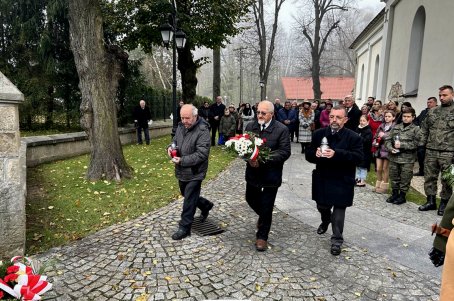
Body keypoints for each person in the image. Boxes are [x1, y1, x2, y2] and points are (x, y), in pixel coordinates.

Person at [306, 106, 363, 256]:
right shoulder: (319, 134)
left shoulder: (354, 137)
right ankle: (325, 220)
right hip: (323, 177)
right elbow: (308, 154)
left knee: (339, 211)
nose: (334, 120)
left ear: (345, 119)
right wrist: (316, 154)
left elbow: (358, 157)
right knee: (322, 206)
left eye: (338, 117)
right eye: (332, 117)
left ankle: (337, 240)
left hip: (342, 179)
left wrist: (337, 154)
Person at [244, 100, 291, 251]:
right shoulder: (251, 126)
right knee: (250, 198)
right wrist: (249, 158)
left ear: (271, 114)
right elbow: (243, 146)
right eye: (258, 112)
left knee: (267, 205)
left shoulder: (281, 129)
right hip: (253, 172)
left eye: (263, 113)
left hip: (271, 174)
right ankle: (264, 216)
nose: (260, 115)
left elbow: (285, 152)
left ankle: (262, 237)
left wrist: (263, 159)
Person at [167, 104, 214, 240]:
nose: (184, 121)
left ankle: (184, 227)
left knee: (189, 198)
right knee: (186, 193)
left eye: (187, 118)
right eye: (182, 118)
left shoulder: (203, 129)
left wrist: (182, 160)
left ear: (195, 116)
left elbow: (202, 154)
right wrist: (170, 148)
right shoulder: (181, 126)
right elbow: (174, 141)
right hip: (181, 169)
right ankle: (206, 205)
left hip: (195, 171)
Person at [418, 85, 454, 215]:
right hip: (431, 150)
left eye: (444, 95)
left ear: (452, 95)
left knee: (447, 179)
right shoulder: (433, 111)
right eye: (440, 95)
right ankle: (431, 201)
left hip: (448, 152)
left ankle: (444, 203)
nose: (441, 98)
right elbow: (424, 129)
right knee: (429, 177)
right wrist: (421, 146)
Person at [384, 107, 419, 205]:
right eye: (404, 116)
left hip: (407, 159)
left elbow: (417, 143)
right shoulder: (396, 127)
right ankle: (394, 194)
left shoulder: (416, 129)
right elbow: (387, 140)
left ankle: (402, 196)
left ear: (413, 117)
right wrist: (391, 148)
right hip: (394, 157)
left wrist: (402, 146)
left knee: (405, 178)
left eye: (408, 116)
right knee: (394, 176)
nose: (406, 118)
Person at [372, 110, 396, 193]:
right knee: (378, 168)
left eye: (389, 116)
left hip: (388, 150)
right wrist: (374, 142)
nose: (387, 118)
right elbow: (376, 136)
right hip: (379, 149)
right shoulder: (381, 125)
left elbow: (394, 138)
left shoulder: (395, 127)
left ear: (393, 117)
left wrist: (384, 135)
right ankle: (378, 184)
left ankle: (384, 186)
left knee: (385, 169)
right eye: (386, 116)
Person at [414, 97, 438, 176]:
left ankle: (430, 173)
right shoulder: (424, 112)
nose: (428, 104)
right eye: (427, 102)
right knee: (420, 153)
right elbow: (416, 120)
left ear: (435, 103)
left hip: (433, 137)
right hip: (422, 137)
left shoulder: (439, 111)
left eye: (430, 102)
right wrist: (417, 126)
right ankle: (422, 171)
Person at [355, 115, 373, 187]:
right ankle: (358, 178)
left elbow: (367, 141)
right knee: (358, 166)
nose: (362, 122)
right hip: (358, 150)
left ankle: (362, 180)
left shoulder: (368, 131)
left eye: (363, 121)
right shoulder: (358, 128)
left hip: (365, 152)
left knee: (363, 167)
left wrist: (359, 138)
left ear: (367, 121)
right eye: (361, 121)